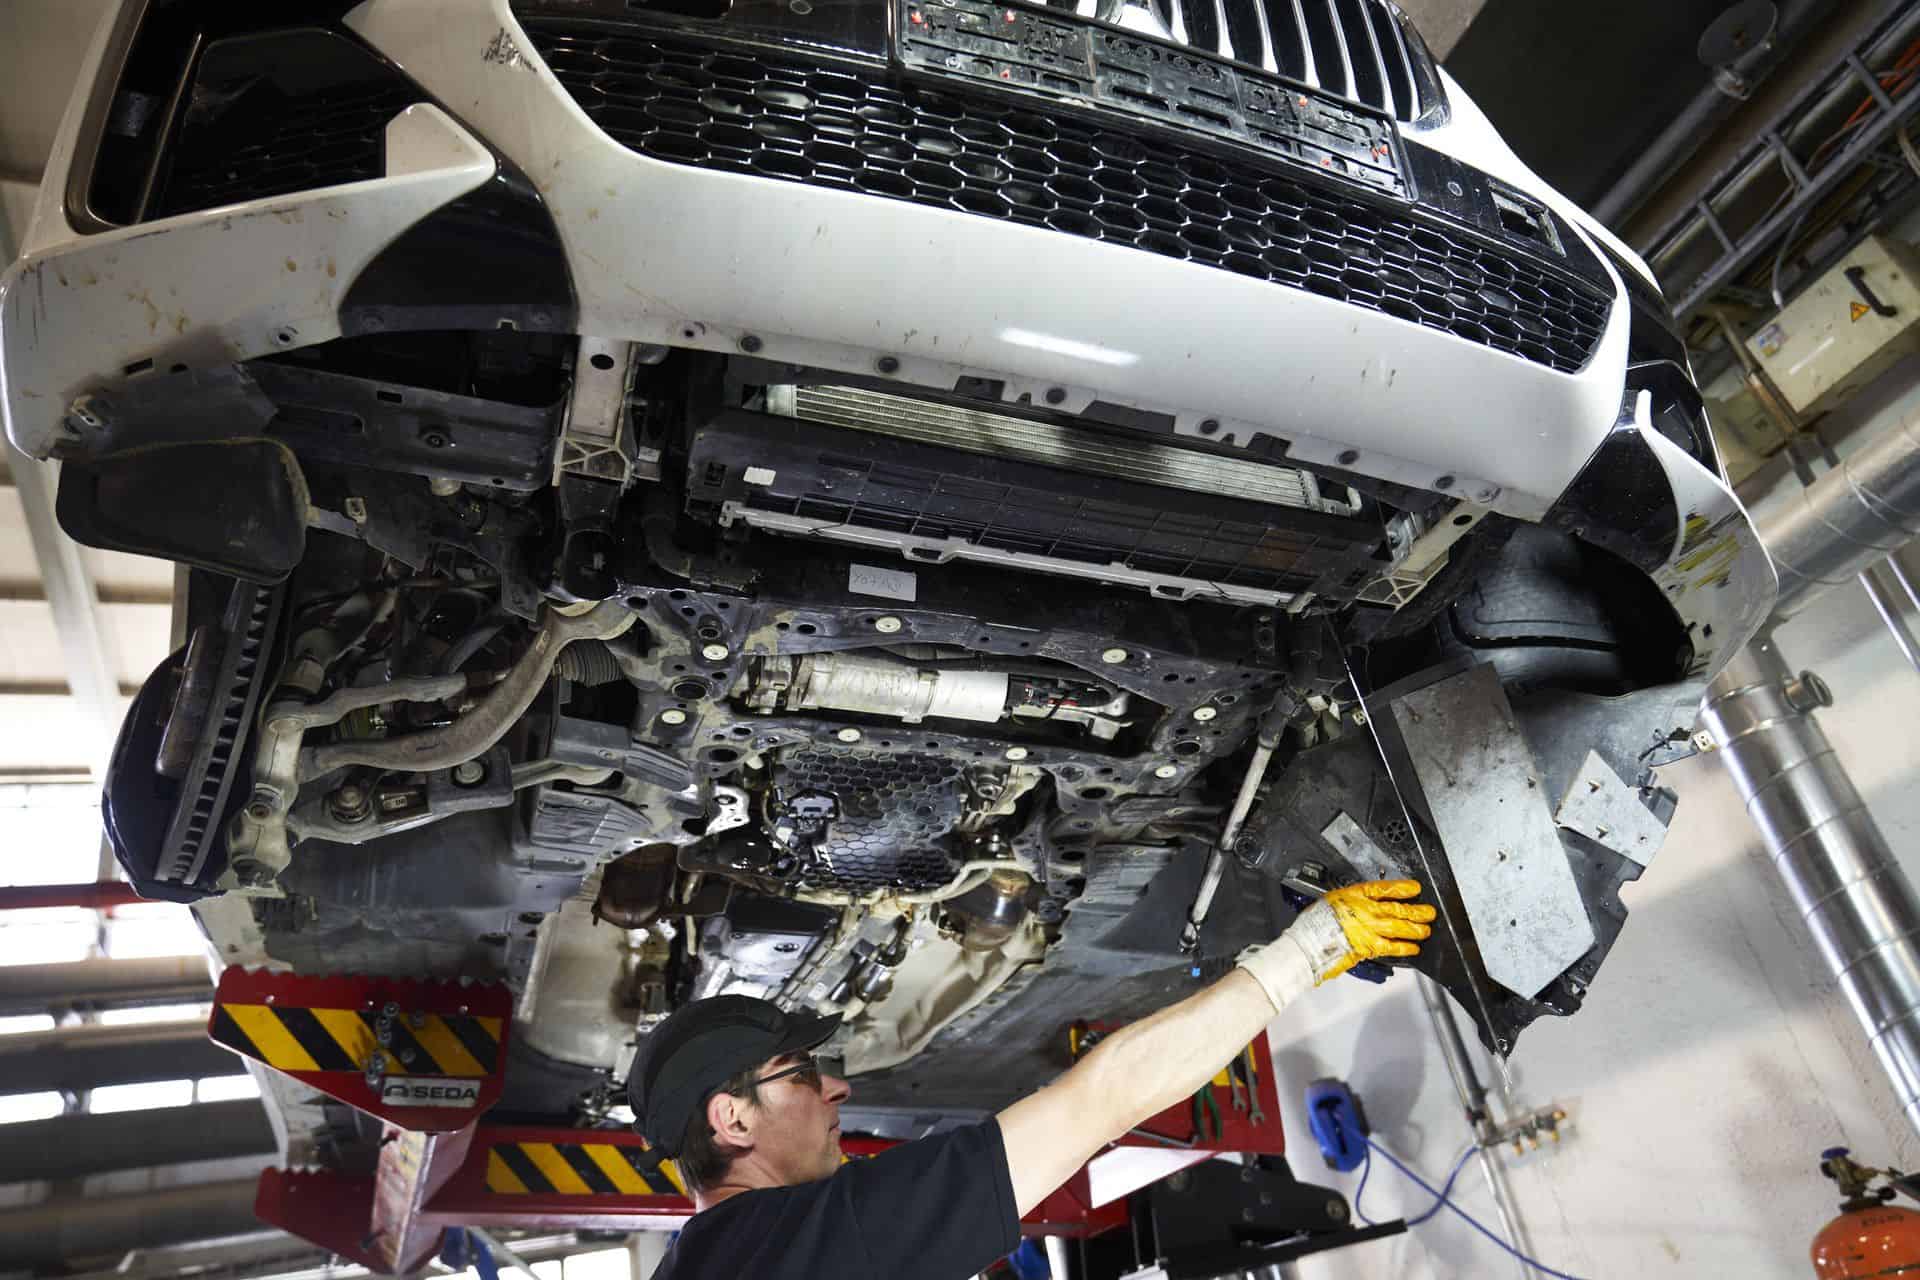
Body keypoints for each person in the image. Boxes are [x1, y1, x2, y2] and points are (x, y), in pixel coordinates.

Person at [628, 879, 1436, 1279]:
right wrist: (1309, 952)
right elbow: (1102, 1100)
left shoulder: (706, 1265)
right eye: (802, 1074)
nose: (836, 1089)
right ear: (734, 1120)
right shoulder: (794, 1246)